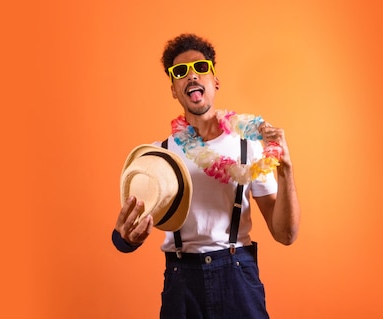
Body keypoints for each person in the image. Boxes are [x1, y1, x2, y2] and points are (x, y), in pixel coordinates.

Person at [112, 33, 301, 319]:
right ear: (174, 90)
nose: (191, 76)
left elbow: (285, 234)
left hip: (238, 277)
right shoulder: (157, 156)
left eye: (200, 68)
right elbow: (122, 237)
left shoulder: (247, 145)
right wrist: (125, 239)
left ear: (215, 81)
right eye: (180, 72)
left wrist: (286, 170)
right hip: (181, 282)